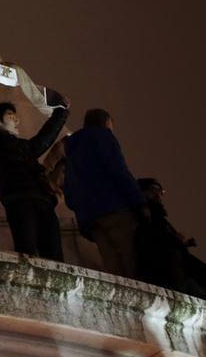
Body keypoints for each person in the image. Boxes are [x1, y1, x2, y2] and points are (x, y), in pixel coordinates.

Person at [0, 65, 70, 260]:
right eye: (11, 116)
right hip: (18, 199)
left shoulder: (26, 147)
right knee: (27, 252)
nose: (17, 120)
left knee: (55, 255)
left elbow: (44, 139)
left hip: (44, 199)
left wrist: (61, 113)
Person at [136, 178, 206, 314]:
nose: (158, 195)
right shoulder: (145, 218)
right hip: (175, 278)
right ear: (142, 192)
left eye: (161, 192)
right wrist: (174, 241)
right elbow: (158, 251)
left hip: (187, 273)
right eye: (153, 190)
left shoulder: (159, 219)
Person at [61, 108, 146, 278]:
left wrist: (80, 207)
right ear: (107, 122)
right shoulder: (104, 137)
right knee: (131, 259)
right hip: (115, 207)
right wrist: (139, 201)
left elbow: (68, 187)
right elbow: (118, 170)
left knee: (112, 265)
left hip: (91, 217)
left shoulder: (71, 149)